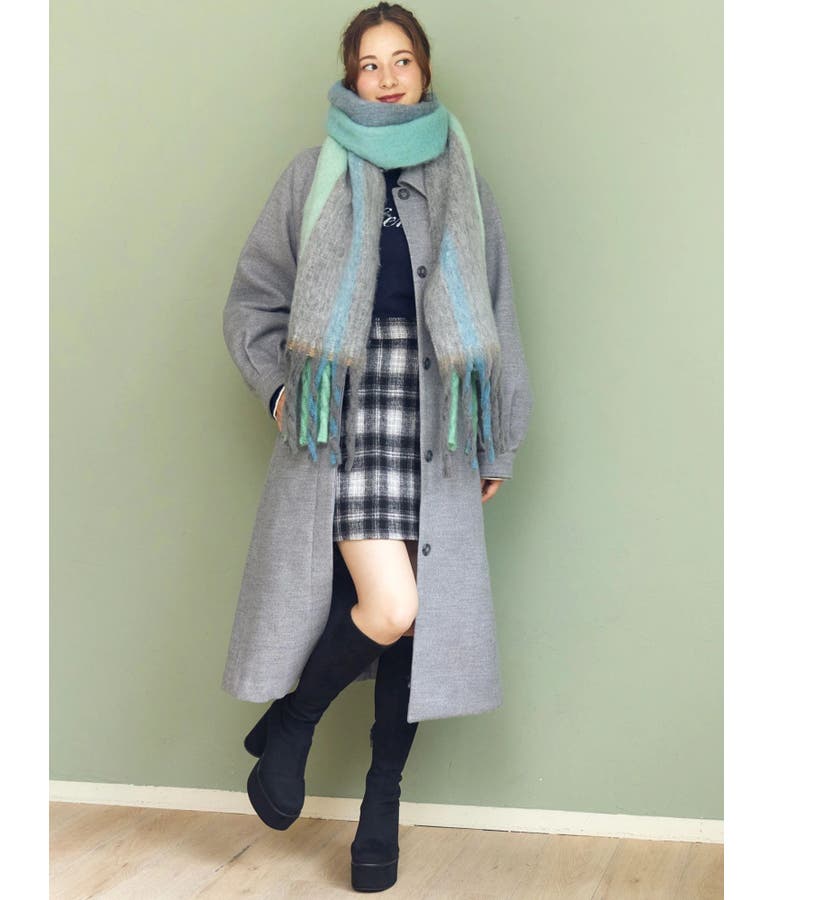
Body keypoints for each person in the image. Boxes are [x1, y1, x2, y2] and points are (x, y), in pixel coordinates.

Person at [221, 2, 533, 892]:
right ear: (349, 77)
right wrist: (279, 388)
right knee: (391, 606)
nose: (388, 77)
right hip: (344, 418)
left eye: (401, 60)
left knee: (414, 628)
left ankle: (380, 806)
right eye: (370, 63)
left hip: (440, 420)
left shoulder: (462, 181)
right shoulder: (310, 177)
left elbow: (497, 311)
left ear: (424, 70)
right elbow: (253, 301)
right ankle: (293, 721)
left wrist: (498, 440)